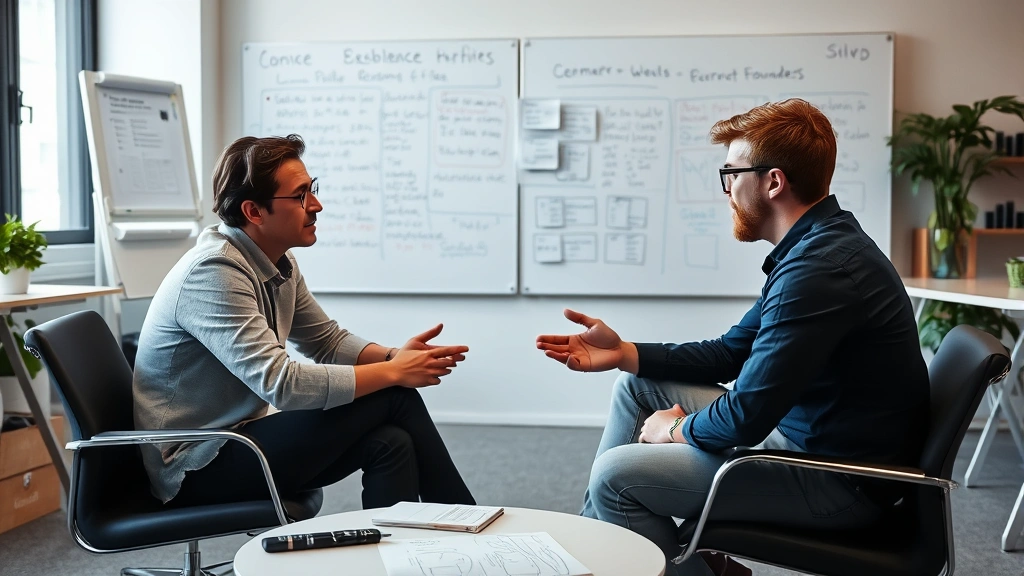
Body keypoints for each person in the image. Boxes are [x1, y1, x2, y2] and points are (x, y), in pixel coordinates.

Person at [536, 99, 929, 576]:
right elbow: (729, 353)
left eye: (731, 174)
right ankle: (597, 557)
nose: (727, 191)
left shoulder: (819, 269)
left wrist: (674, 431)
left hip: (836, 482)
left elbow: (745, 416)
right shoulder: (815, 246)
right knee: (636, 385)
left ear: (773, 182)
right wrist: (624, 353)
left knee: (615, 477)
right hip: (808, 441)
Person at [134, 134, 475, 509]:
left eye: (312, 189)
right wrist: (395, 372)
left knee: (392, 442)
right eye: (300, 196)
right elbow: (281, 384)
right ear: (254, 212)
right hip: (194, 466)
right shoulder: (213, 271)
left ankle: (402, 545)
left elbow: (326, 341)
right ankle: (467, 523)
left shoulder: (276, 260)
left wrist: (394, 357)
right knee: (393, 395)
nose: (316, 205)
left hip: (238, 437)